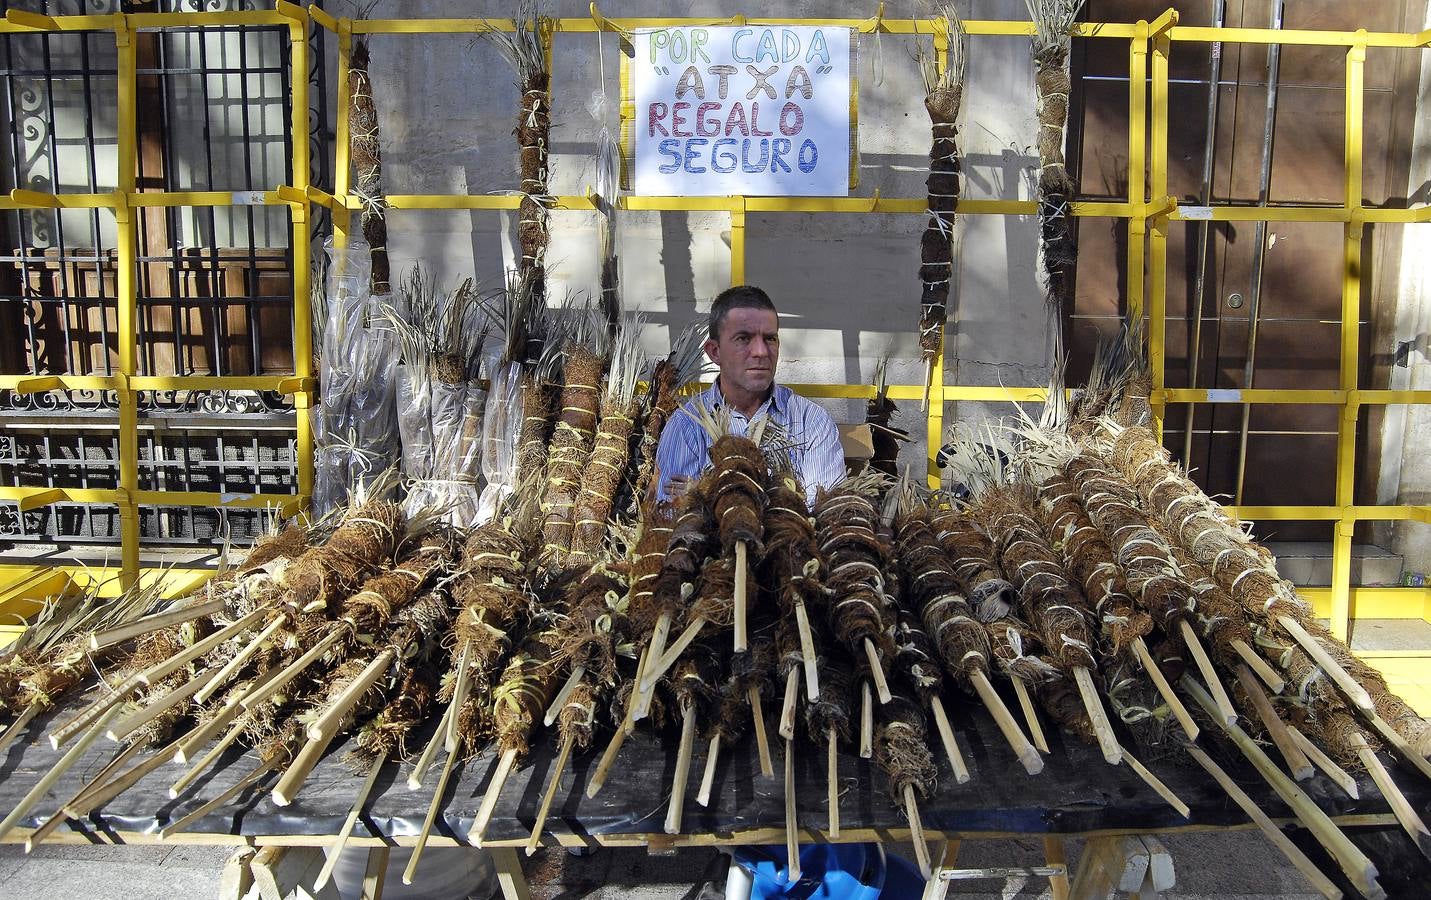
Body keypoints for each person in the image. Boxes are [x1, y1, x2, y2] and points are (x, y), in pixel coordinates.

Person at [654, 285, 845, 506]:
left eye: (770, 338)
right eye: (744, 338)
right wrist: (784, 501)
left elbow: (823, 515)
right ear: (715, 352)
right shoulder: (687, 425)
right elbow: (672, 521)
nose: (761, 352)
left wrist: (705, 493)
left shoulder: (810, 422)